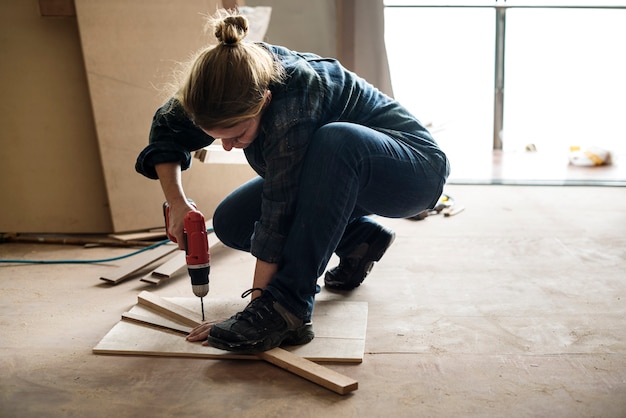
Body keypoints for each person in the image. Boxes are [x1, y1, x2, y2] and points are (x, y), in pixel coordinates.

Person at [135, 11, 449, 353]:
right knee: (233, 222)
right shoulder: (217, 85)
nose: (226, 146)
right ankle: (359, 241)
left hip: (413, 171)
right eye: (216, 138)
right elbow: (166, 131)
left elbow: (278, 214)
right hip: (342, 179)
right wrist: (177, 203)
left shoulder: (292, 104)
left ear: (264, 102)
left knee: (336, 141)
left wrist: (259, 309)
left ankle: (290, 308)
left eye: (237, 135)